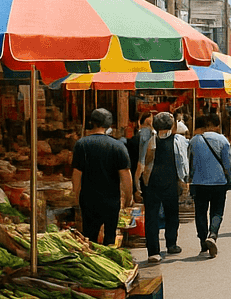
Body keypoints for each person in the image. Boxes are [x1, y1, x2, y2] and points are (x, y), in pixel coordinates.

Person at [71, 108, 132, 245]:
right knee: (110, 237)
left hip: (88, 200)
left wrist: (76, 195)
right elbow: (126, 176)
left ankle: (93, 259)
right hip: (111, 201)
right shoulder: (118, 146)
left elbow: (76, 174)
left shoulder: (81, 144)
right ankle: (110, 258)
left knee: (89, 238)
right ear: (109, 125)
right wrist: (128, 197)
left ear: (91, 123)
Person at [137, 111, 188, 263]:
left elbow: (142, 162)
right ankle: (171, 244)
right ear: (172, 126)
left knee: (151, 217)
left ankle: (153, 252)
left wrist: (138, 185)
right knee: (172, 214)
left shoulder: (148, 140)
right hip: (170, 183)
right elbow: (184, 161)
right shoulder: (179, 140)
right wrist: (184, 179)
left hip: (151, 183)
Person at [189, 112, 231, 257]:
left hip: (199, 182)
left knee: (200, 212)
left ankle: (203, 241)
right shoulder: (222, 140)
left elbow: (190, 162)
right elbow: (227, 163)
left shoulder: (194, 140)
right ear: (216, 126)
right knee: (217, 211)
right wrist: (230, 176)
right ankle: (213, 234)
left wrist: (190, 178)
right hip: (219, 182)